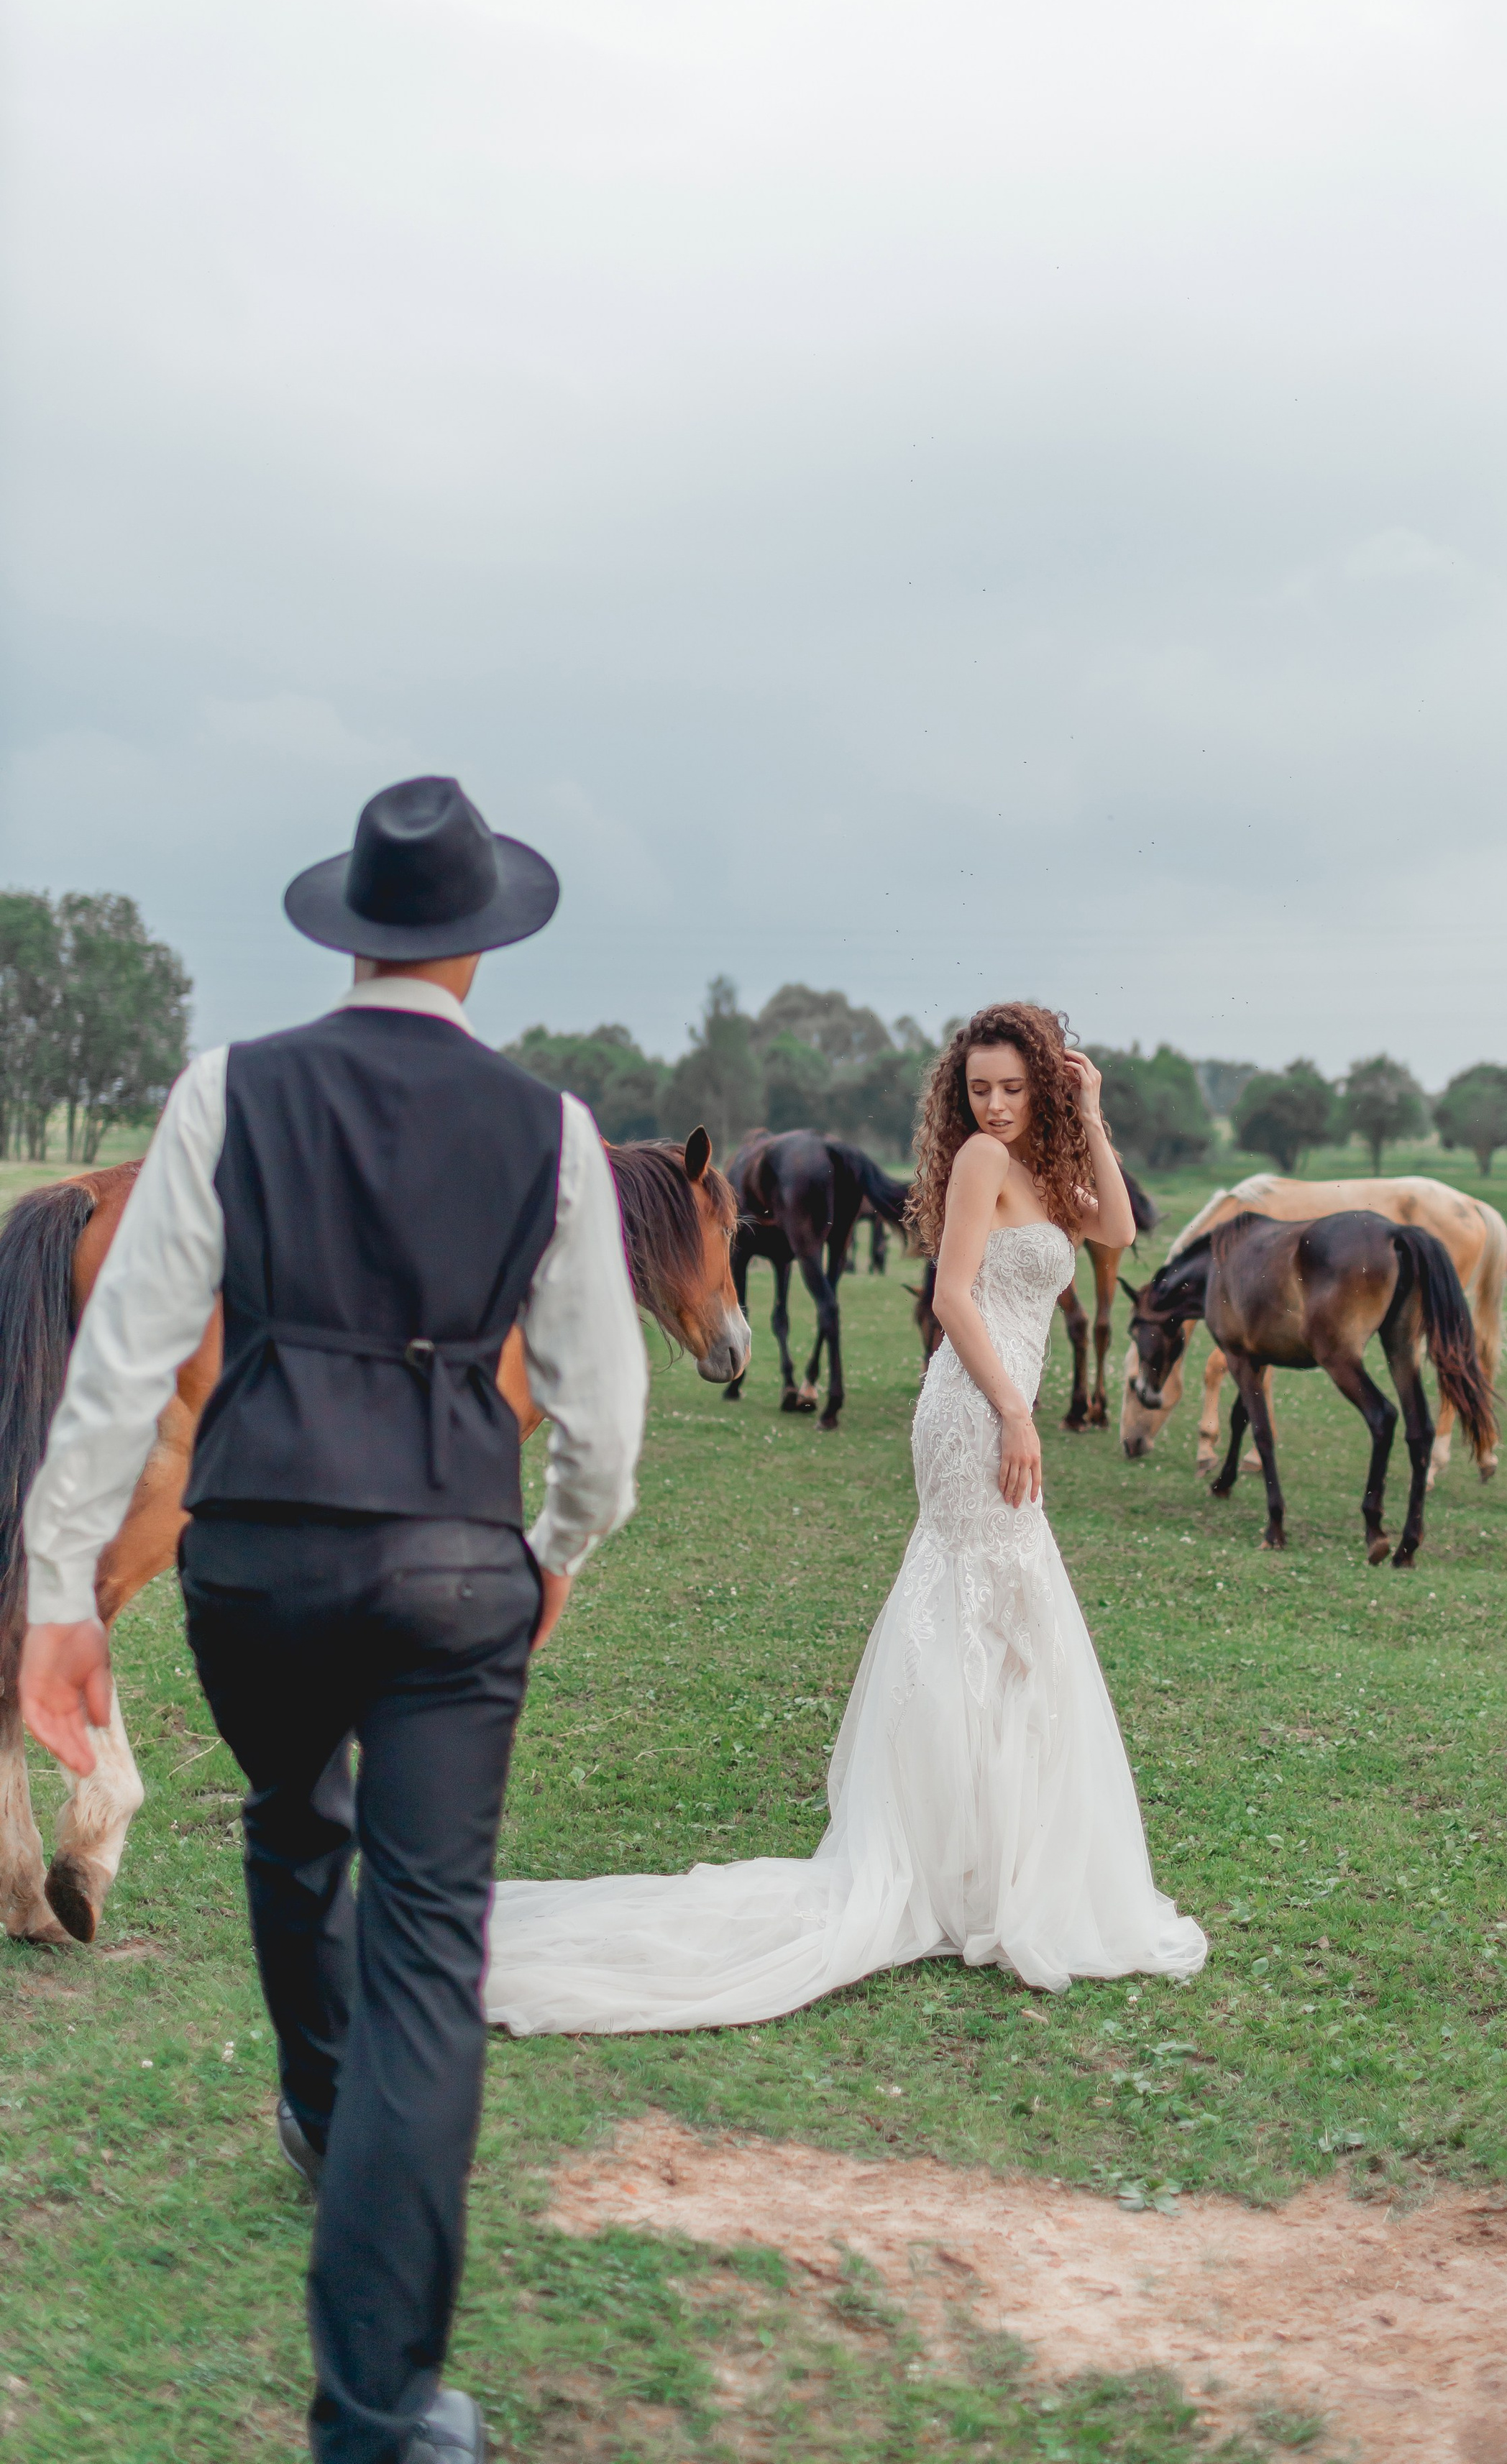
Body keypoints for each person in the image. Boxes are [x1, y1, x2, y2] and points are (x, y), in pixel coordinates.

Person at [19, 777, 647, 2464]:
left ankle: (315, 2100)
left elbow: (123, 1368)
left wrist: (62, 1592)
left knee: (294, 1824)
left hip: (258, 1563)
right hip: (452, 1570)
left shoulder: (229, 1090)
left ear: (352, 935)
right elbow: (602, 1412)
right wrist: (558, 1547)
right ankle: (376, 2412)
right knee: (427, 1955)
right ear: (478, 949)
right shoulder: (549, 1130)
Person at [483, 1000, 1205, 2036]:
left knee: (1006, 1614)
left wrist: (1089, 1111)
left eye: (1014, 1088)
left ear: (1043, 1086)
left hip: (1000, 1408)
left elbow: (1121, 1230)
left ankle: (985, 1860)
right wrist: (1013, 1412)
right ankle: (957, 1861)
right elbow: (952, 1299)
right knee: (981, 1604)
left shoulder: (1042, 1169)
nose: (995, 1107)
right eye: (979, 1090)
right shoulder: (978, 1165)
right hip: (974, 1410)